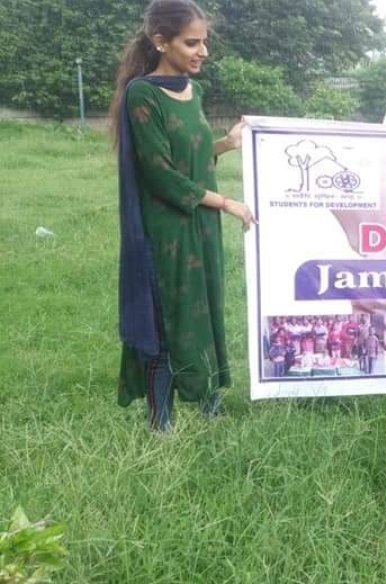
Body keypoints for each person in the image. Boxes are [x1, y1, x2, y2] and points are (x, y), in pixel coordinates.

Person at [111, 0, 255, 432]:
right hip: (165, 232)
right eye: (192, 42)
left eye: (204, 42)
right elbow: (161, 175)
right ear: (161, 42)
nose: (203, 51)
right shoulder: (142, 94)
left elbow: (188, 155)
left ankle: (210, 413)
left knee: (204, 309)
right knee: (167, 317)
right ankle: (161, 424)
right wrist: (227, 203)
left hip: (200, 227)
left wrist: (225, 144)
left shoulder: (196, 92)